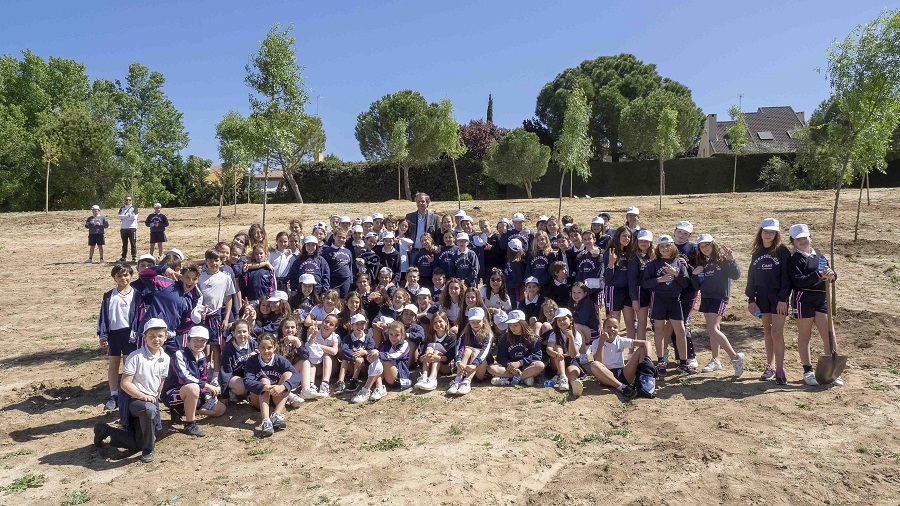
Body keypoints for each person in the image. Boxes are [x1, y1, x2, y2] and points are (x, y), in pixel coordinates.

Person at [93, 318, 171, 463]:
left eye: (160, 336)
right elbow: (125, 384)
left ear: (166, 336)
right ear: (144, 337)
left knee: (142, 440)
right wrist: (143, 396)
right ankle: (148, 451)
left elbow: (161, 379)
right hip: (133, 400)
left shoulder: (165, 358)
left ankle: (105, 430)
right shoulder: (136, 357)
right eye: (152, 336)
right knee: (149, 411)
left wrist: (158, 394)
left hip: (151, 401)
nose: (156, 339)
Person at [788, 224, 842, 386]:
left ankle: (832, 371)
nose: (803, 241)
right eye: (798, 239)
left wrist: (832, 275)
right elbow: (797, 281)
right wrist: (817, 274)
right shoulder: (795, 260)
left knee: (829, 335)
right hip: (803, 299)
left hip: (821, 298)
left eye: (805, 238)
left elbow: (830, 273)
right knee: (805, 335)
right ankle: (808, 371)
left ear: (810, 238)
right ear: (793, 242)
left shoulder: (820, 256)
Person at [691, 234, 745, 377]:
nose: (705, 248)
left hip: (719, 297)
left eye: (707, 245)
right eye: (701, 246)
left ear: (713, 244)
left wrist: (731, 260)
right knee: (713, 330)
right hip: (706, 298)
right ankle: (716, 359)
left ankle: (735, 358)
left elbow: (736, 275)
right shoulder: (701, 263)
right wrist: (695, 275)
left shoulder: (722, 260)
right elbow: (696, 286)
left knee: (712, 328)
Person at [746, 218, 791, 385]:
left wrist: (783, 299)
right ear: (761, 232)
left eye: (772, 232)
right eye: (765, 231)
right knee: (767, 330)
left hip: (778, 297)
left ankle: (780, 369)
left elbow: (787, 277)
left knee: (777, 332)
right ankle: (770, 366)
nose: (768, 234)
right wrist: (751, 299)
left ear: (776, 234)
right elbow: (751, 277)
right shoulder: (757, 252)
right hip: (762, 296)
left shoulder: (782, 251)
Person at [161, 326, 227, 437]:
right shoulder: (179, 355)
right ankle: (190, 424)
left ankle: (182, 411)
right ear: (188, 340)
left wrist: (206, 394)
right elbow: (184, 377)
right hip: (173, 393)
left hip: (194, 393)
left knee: (220, 409)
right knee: (193, 387)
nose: (199, 343)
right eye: (196, 340)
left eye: (203, 341)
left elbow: (203, 378)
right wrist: (207, 386)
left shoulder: (202, 357)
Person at [641, 234, 693, 375]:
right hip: (659, 299)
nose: (665, 248)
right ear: (658, 248)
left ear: (673, 246)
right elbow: (645, 283)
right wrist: (660, 279)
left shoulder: (679, 263)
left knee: (680, 330)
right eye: (662, 246)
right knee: (659, 330)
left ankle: (683, 362)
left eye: (668, 245)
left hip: (674, 300)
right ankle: (660, 361)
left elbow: (685, 283)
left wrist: (676, 274)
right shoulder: (653, 264)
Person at [97, 263, 140, 410]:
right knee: (114, 364)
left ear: (131, 275)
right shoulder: (109, 295)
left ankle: (127, 393)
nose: (123, 278)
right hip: (113, 334)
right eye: (119, 276)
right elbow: (103, 317)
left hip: (130, 335)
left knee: (128, 364)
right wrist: (103, 335)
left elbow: (140, 316)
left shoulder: (136, 295)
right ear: (114, 278)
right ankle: (114, 394)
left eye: (126, 275)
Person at [243, 333, 300, 437]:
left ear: (275, 347)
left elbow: (297, 376)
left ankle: (276, 415)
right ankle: (265, 421)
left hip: (276, 396)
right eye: (262, 347)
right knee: (264, 380)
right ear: (258, 347)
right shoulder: (252, 361)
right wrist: (265, 387)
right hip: (259, 399)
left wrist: (283, 386)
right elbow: (247, 382)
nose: (266, 351)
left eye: (269, 348)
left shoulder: (280, 360)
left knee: (288, 374)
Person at [197, 249, 236, 388]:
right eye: (211, 260)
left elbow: (229, 298)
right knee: (202, 344)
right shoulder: (200, 278)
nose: (214, 263)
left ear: (221, 262)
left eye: (217, 260)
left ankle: (216, 374)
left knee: (215, 345)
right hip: (201, 316)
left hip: (216, 315)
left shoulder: (225, 277)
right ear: (206, 261)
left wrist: (226, 318)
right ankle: (205, 370)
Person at [351, 320, 412, 402]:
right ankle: (379, 387)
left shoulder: (405, 344)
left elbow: (397, 355)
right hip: (386, 376)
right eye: (391, 334)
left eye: (397, 335)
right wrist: (369, 356)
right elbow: (376, 353)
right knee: (375, 354)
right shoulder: (386, 343)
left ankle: (365, 390)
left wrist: (378, 355)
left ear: (402, 335)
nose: (393, 338)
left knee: (381, 358)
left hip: (398, 378)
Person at [588, 317, 641, 399]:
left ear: (619, 330)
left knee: (642, 349)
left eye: (615, 327)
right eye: (608, 327)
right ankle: (622, 387)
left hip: (623, 373)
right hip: (606, 375)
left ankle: (644, 379)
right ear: (603, 329)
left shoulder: (620, 340)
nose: (612, 329)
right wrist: (602, 341)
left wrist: (648, 361)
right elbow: (599, 362)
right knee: (594, 365)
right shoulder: (596, 342)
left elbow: (646, 343)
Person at [488, 310, 545, 387]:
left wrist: (520, 363)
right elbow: (501, 357)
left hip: (527, 366)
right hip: (510, 369)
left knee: (540, 365)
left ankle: (509, 380)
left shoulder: (532, 337)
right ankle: (524, 378)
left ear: (522, 324)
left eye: (515, 325)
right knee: (491, 368)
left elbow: (537, 355)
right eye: (510, 325)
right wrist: (509, 365)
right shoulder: (505, 338)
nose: (512, 328)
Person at [447, 307, 493, 396]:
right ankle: (458, 380)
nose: (475, 324)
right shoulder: (465, 334)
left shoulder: (488, 334)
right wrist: (459, 361)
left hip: (480, 367)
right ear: (469, 322)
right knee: (467, 349)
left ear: (483, 321)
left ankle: (467, 382)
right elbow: (459, 348)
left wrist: (474, 364)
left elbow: (485, 351)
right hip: (466, 368)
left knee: (475, 351)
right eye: (472, 322)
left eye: (478, 321)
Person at [545, 308, 585, 397]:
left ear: (570, 320)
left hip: (571, 360)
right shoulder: (554, 334)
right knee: (558, 348)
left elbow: (573, 354)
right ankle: (562, 377)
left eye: (564, 319)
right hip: (557, 360)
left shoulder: (576, 335)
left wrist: (571, 338)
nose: (562, 322)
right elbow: (549, 349)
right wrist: (556, 354)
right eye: (559, 320)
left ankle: (574, 384)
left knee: (571, 372)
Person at [414, 312, 457, 391]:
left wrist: (437, 357)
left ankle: (433, 379)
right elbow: (420, 356)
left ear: (446, 322)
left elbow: (451, 356)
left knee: (436, 352)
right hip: (431, 363)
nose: (438, 324)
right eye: (435, 322)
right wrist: (423, 358)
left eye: (440, 321)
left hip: (446, 366)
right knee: (429, 349)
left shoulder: (451, 337)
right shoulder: (430, 337)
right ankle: (424, 376)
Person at [336, 313, 375, 394]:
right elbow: (344, 349)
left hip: (363, 366)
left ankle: (355, 380)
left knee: (359, 360)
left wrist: (365, 352)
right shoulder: (348, 338)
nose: (360, 326)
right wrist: (354, 356)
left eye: (362, 323)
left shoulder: (368, 338)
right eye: (357, 324)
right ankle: (341, 381)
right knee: (344, 359)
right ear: (352, 326)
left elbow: (371, 350)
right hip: (351, 365)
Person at [219, 319, 258, 402]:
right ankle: (232, 391)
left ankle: (250, 394)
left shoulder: (254, 344)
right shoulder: (228, 350)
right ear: (233, 333)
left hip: (250, 374)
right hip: (234, 376)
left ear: (249, 332)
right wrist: (224, 394)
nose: (242, 334)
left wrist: (256, 356)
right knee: (242, 388)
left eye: (244, 331)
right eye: (239, 332)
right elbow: (225, 371)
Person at [116, 195, 139, 263]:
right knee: (124, 243)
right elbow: (119, 216)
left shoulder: (134, 208)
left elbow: (134, 217)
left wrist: (124, 217)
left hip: (132, 228)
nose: (128, 201)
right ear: (124, 200)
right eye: (126, 200)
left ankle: (134, 257)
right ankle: (123, 257)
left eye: (129, 200)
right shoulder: (122, 208)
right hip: (123, 228)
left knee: (133, 243)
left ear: (131, 200)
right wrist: (128, 216)